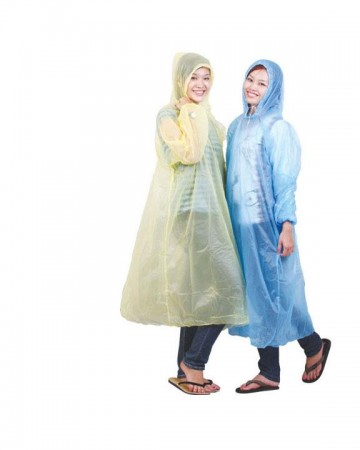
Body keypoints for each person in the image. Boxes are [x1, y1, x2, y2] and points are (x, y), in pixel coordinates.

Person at [121, 52, 247, 395]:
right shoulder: (170, 114)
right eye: (194, 77)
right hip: (189, 215)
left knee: (199, 294)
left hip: (211, 215)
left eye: (207, 78)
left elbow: (219, 163)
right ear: (180, 79)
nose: (201, 85)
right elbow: (189, 153)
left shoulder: (205, 114)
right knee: (230, 289)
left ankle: (184, 367)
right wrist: (190, 112)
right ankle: (194, 364)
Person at [225, 59, 331, 393]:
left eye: (262, 83)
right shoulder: (235, 126)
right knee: (257, 296)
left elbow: (285, 183)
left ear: (274, 90)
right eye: (250, 79)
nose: (253, 87)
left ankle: (281, 364)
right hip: (240, 226)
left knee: (278, 292)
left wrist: (287, 225)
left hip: (267, 225)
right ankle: (301, 354)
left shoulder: (278, 128)